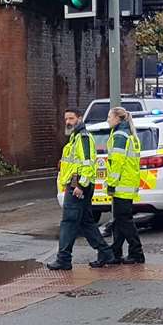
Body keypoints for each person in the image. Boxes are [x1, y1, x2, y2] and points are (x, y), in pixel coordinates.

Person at [52, 109, 112, 270]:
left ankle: (63, 259)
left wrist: (80, 185)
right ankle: (106, 253)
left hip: (77, 186)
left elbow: (88, 163)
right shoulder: (74, 137)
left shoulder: (83, 137)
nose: (68, 121)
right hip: (75, 184)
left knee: (69, 222)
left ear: (79, 119)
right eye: (66, 119)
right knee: (86, 223)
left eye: (71, 118)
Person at [104, 106, 145, 265]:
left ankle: (136, 252)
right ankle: (116, 252)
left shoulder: (120, 136)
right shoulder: (128, 134)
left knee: (124, 220)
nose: (108, 119)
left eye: (109, 117)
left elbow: (117, 163)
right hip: (127, 183)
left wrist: (111, 184)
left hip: (121, 185)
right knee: (121, 220)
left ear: (118, 119)